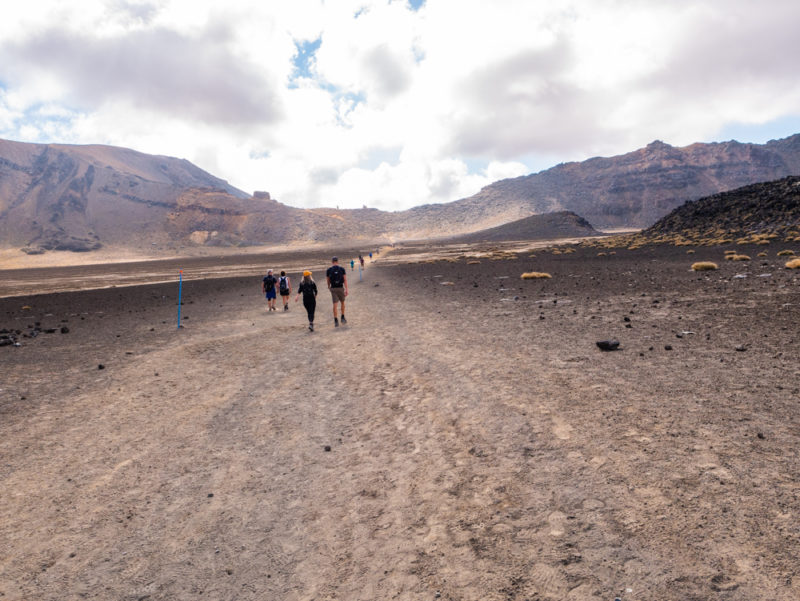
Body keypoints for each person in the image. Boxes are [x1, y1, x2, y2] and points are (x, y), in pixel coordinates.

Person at [326, 256, 348, 327]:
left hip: (333, 288)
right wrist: (346, 289)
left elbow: (328, 280)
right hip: (341, 287)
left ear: (332, 262)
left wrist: (329, 286)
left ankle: (336, 320)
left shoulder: (329, 270)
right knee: (342, 303)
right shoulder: (342, 269)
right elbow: (345, 280)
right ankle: (343, 317)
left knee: (335, 305)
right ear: (337, 261)